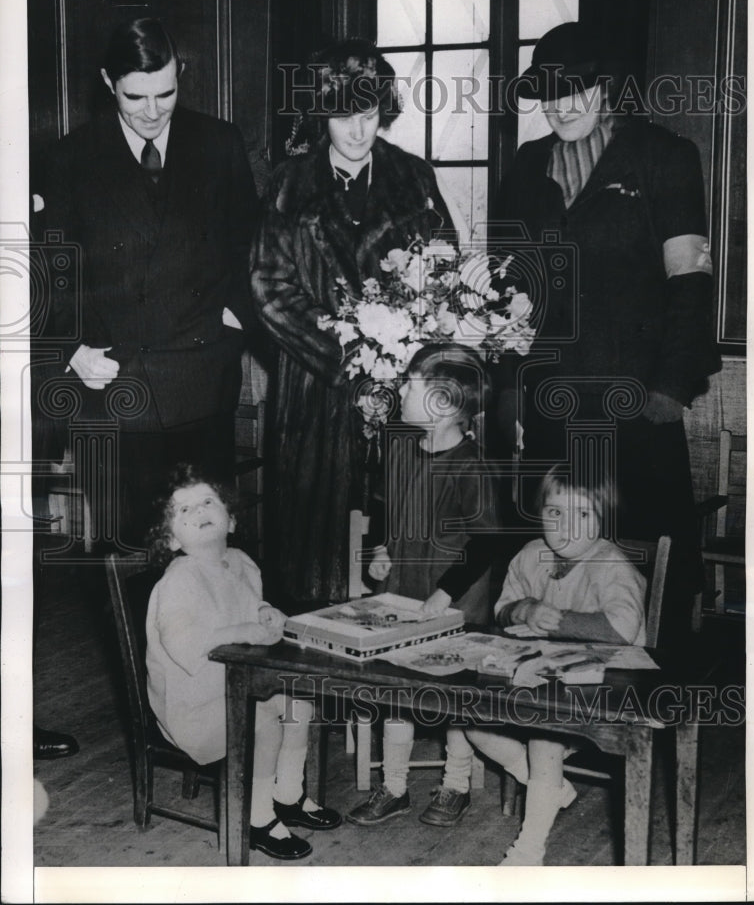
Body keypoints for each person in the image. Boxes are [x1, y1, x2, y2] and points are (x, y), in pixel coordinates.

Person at [490, 21, 720, 640]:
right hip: (550, 397)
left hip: (636, 399)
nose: (560, 106)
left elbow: (691, 282)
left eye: (576, 90)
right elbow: (506, 286)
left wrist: (670, 387)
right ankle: (542, 714)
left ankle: (639, 710)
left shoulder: (665, 156)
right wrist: (511, 387)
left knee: (639, 554)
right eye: (547, 92)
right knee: (548, 555)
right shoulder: (527, 164)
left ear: (607, 87)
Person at [39, 17, 259, 547]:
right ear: (107, 82)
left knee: (207, 543)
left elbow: (252, 248)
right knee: (130, 545)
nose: (154, 111)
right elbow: (49, 271)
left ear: (179, 75)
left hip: (202, 375)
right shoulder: (69, 159)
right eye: (135, 97)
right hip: (114, 383)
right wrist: (73, 351)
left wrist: (237, 317)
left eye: (167, 92)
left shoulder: (220, 143)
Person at [251, 38, 455, 607]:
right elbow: (269, 289)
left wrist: (399, 354)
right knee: (314, 547)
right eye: (343, 115)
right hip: (317, 389)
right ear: (323, 113)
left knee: (397, 542)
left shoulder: (414, 177)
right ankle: (306, 677)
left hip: (404, 389)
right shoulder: (290, 182)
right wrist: (349, 355)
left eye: (368, 115)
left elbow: (443, 271)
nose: (359, 131)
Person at [443, 465, 646, 864]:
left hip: (607, 690)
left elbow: (624, 628)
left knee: (543, 735)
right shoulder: (531, 554)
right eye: (555, 513)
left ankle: (528, 850)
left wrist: (562, 620)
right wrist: (523, 609)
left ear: (605, 520)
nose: (565, 526)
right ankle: (547, 787)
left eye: (582, 514)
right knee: (469, 720)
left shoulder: (611, 563)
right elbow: (501, 610)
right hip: (543, 680)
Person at [145, 464, 341, 861]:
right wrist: (244, 631)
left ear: (230, 519)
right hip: (193, 705)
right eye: (183, 511)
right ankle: (257, 816)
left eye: (207, 502)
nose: (198, 512)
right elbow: (185, 646)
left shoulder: (240, 562)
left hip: (233, 686)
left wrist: (266, 611)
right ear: (169, 539)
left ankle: (286, 793)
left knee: (299, 702)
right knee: (266, 716)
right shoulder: (178, 581)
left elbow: (251, 602)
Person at [346, 344, 500, 827]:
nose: (399, 389)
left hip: (454, 604)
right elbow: (386, 513)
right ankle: (393, 788)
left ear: (445, 402)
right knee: (396, 691)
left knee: (452, 696)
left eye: (411, 383)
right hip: (404, 592)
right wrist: (380, 549)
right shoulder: (399, 448)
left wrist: (445, 594)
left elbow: (486, 543)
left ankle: (455, 785)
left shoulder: (472, 466)